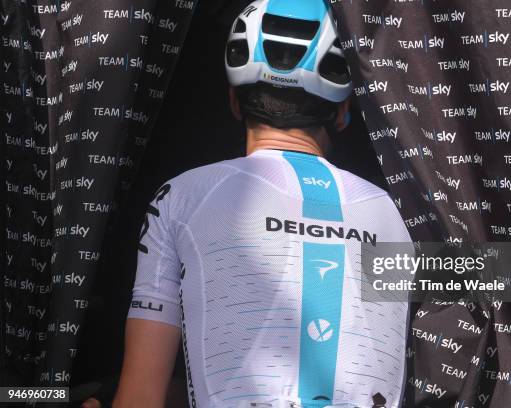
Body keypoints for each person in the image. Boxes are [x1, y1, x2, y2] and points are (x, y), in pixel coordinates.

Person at [112, 0, 412, 407]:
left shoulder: (182, 197)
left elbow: (141, 396)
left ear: (234, 103)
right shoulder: (394, 212)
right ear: (343, 114)